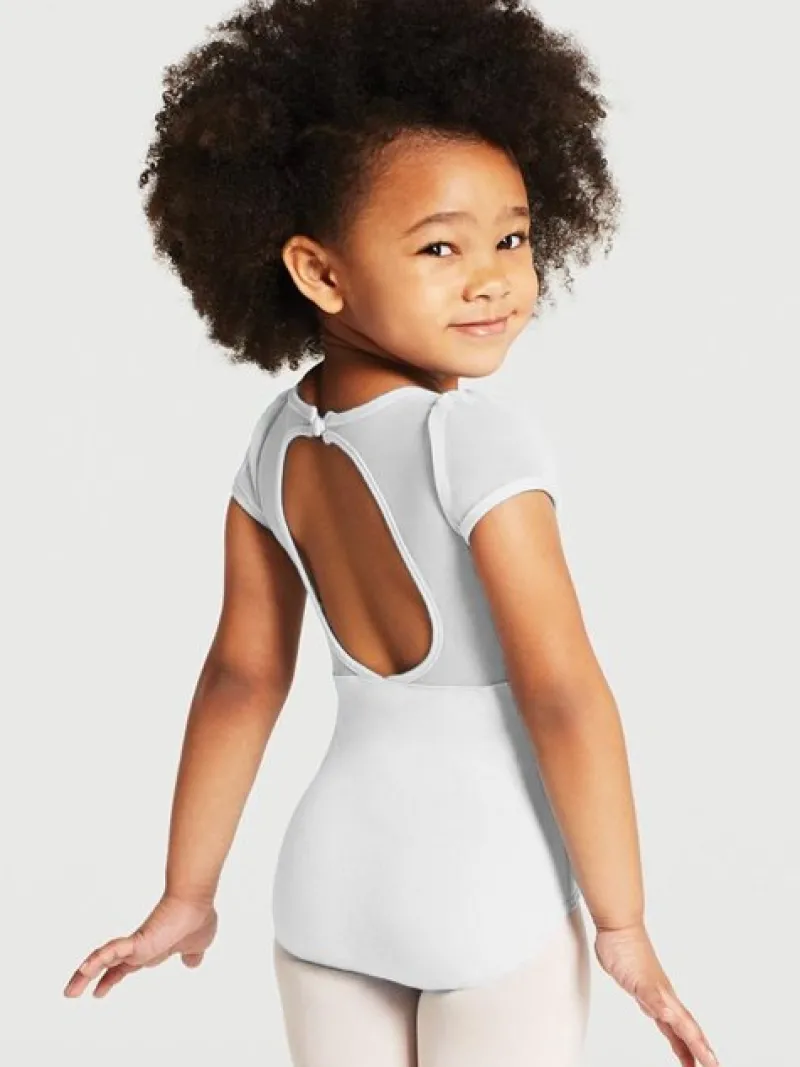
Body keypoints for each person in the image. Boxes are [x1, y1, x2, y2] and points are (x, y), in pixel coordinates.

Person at [63, 1, 722, 1064]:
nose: (491, 276)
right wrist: (624, 926)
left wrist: (187, 893)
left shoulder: (275, 441)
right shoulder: (473, 438)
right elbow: (561, 690)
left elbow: (241, 676)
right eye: (439, 245)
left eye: (512, 236)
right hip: (492, 884)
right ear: (320, 272)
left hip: (327, 887)